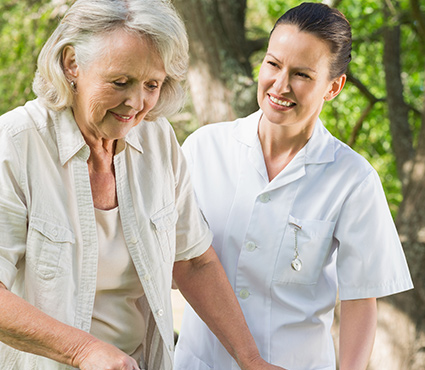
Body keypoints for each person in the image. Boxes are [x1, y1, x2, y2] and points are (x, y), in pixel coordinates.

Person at [0, 1, 282, 369]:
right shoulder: (16, 143)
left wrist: (251, 359)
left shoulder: (157, 140)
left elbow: (194, 262)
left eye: (152, 84)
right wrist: (83, 351)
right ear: (72, 64)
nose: (136, 103)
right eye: (120, 82)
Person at [174, 3, 414, 370]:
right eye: (273, 64)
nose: (280, 85)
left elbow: (360, 299)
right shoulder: (203, 149)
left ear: (334, 87)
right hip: (199, 363)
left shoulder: (353, 179)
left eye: (301, 74)